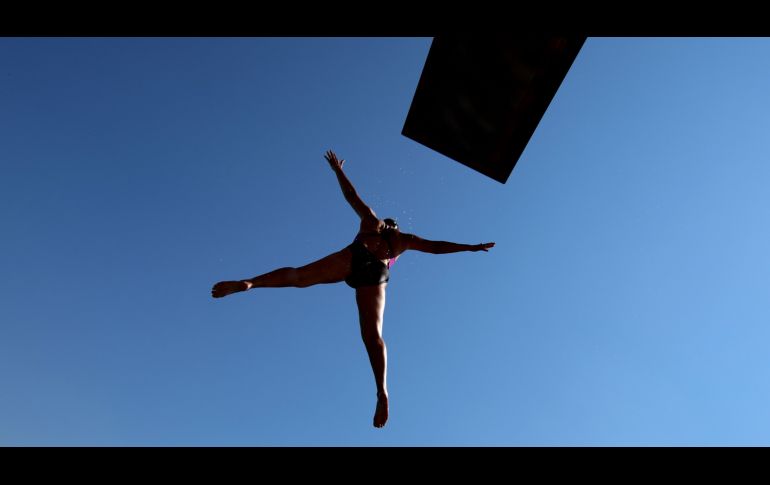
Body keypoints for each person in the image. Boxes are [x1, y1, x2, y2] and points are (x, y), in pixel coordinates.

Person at [211, 150, 495, 428]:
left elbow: (351, 196)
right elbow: (434, 247)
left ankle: (251, 283)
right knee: (373, 337)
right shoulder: (402, 240)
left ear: (388, 224)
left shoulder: (372, 222)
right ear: (395, 227)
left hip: (356, 256)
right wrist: (470, 247)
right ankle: (382, 391)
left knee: (299, 276)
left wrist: (338, 170)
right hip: (375, 272)